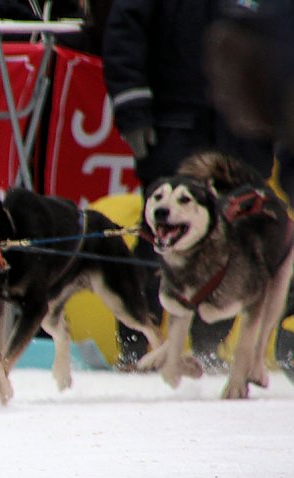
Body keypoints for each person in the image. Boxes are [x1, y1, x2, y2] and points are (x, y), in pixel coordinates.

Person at [102, 0, 276, 370]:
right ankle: (138, 351)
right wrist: (131, 107)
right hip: (175, 127)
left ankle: (207, 354)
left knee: (237, 247)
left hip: (242, 133)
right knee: (158, 243)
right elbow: (124, 34)